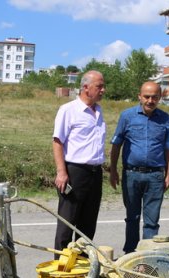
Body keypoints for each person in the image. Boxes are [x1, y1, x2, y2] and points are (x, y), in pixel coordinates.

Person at [109, 81, 169, 253]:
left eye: (154, 97)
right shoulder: (127, 116)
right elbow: (116, 144)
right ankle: (130, 253)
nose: (150, 100)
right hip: (131, 175)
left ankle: (147, 255)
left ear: (160, 98)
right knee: (132, 217)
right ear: (140, 96)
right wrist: (113, 170)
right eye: (147, 96)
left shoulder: (166, 119)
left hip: (155, 177)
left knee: (152, 221)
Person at [52, 70, 107, 250]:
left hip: (95, 172)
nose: (103, 90)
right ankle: (60, 268)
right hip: (75, 171)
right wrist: (61, 172)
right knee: (67, 223)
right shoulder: (69, 110)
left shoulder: (98, 111)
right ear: (85, 87)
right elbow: (58, 141)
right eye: (99, 86)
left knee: (88, 225)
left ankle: (83, 267)